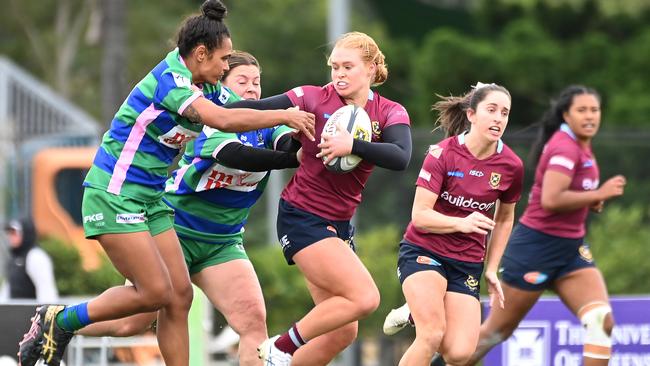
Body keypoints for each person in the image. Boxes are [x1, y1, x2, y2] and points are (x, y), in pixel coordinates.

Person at [16, 1, 315, 365]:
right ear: (201, 54)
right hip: (114, 194)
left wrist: (305, 124)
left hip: (151, 201)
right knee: (154, 293)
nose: (226, 68)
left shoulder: (206, 83)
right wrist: (285, 113)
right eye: (224, 60)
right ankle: (58, 319)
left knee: (179, 297)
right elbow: (222, 120)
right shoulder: (172, 80)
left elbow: (240, 109)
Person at [76, 50, 298, 366]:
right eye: (242, 81)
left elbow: (288, 144)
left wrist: (313, 138)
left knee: (253, 322)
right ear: (222, 86)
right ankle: (61, 326)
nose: (251, 89)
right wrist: (292, 157)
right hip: (174, 229)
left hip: (221, 243)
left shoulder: (267, 126)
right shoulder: (209, 117)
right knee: (132, 323)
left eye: (257, 83)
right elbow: (235, 156)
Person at [226, 31, 412, 366]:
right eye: (334, 67)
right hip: (302, 216)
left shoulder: (389, 111)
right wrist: (204, 109)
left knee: (343, 332)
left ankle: (277, 358)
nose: (339, 74)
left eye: (348, 67)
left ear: (370, 69)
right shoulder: (310, 98)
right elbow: (251, 109)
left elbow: (401, 157)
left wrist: (352, 145)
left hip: (339, 225)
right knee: (365, 297)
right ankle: (280, 348)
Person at [453, 85, 625, 366]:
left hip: (571, 250)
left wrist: (590, 200)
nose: (590, 116)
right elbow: (552, 199)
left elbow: (572, 192)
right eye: (581, 110)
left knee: (600, 321)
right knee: (494, 333)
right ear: (566, 115)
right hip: (535, 248)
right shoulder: (564, 146)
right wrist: (598, 194)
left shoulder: (581, 144)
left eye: (594, 110)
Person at [387, 82, 524, 366]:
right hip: (424, 251)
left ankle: (417, 310)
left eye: (505, 113)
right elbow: (420, 215)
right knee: (431, 334)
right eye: (491, 110)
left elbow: (505, 217)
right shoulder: (442, 153)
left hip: (466, 262)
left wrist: (492, 268)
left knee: (459, 354)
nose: (499, 118)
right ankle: (422, 310)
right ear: (471, 115)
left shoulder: (511, 166)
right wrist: (461, 223)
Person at [1, 218, 58, 303]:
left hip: (32, 314)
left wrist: (44, 314)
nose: (11, 237)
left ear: (25, 233)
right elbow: (6, 291)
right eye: (10, 233)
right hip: (15, 314)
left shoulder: (36, 256)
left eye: (14, 233)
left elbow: (46, 292)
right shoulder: (14, 258)